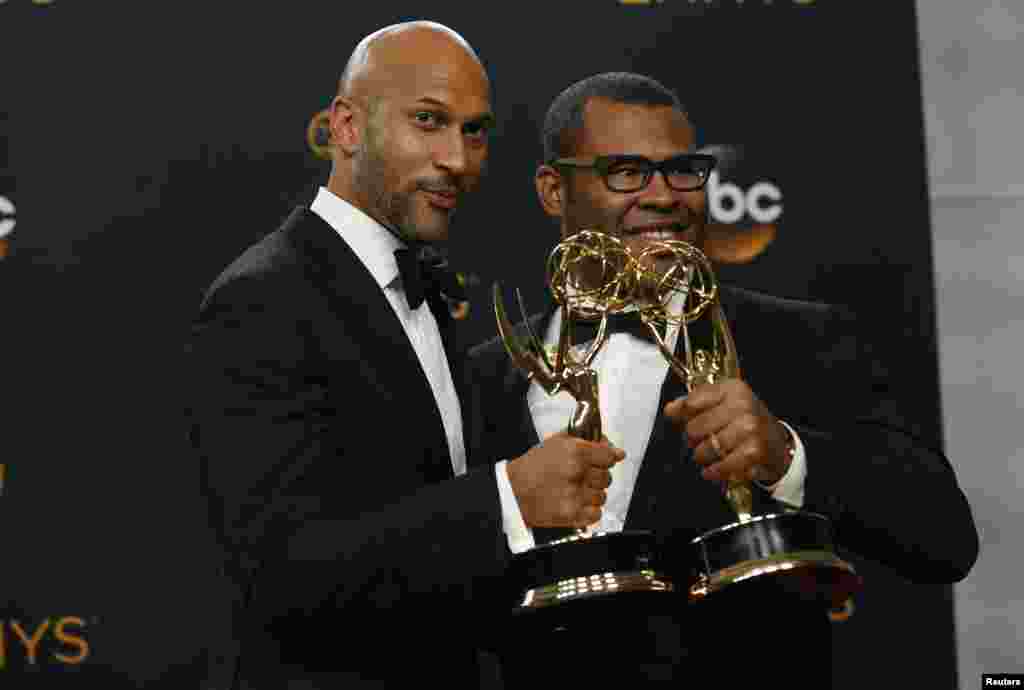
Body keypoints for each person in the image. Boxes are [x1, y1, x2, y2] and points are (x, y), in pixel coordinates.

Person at [463, 72, 980, 686]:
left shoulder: (800, 342)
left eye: (682, 170)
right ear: (553, 189)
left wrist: (787, 457)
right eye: (626, 171)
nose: (663, 196)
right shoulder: (482, 377)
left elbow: (943, 537)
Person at [185, 23, 624, 690]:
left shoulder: (418, 285)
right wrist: (509, 496)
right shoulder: (264, 298)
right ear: (346, 126)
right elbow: (284, 576)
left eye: (475, 132)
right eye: (429, 121)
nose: (458, 159)